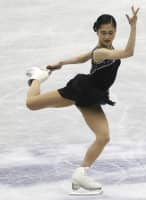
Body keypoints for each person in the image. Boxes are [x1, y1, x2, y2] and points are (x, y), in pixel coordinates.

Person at [26, 5, 139, 194]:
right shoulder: (101, 52)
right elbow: (128, 53)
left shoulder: (101, 49)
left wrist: (61, 63)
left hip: (92, 96)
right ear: (97, 32)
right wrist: (134, 27)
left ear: (115, 31)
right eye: (103, 32)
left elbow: (82, 58)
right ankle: (37, 77)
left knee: (103, 137)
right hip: (81, 90)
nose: (107, 36)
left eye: (111, 32)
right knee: (31, 104)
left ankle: (80, 173)